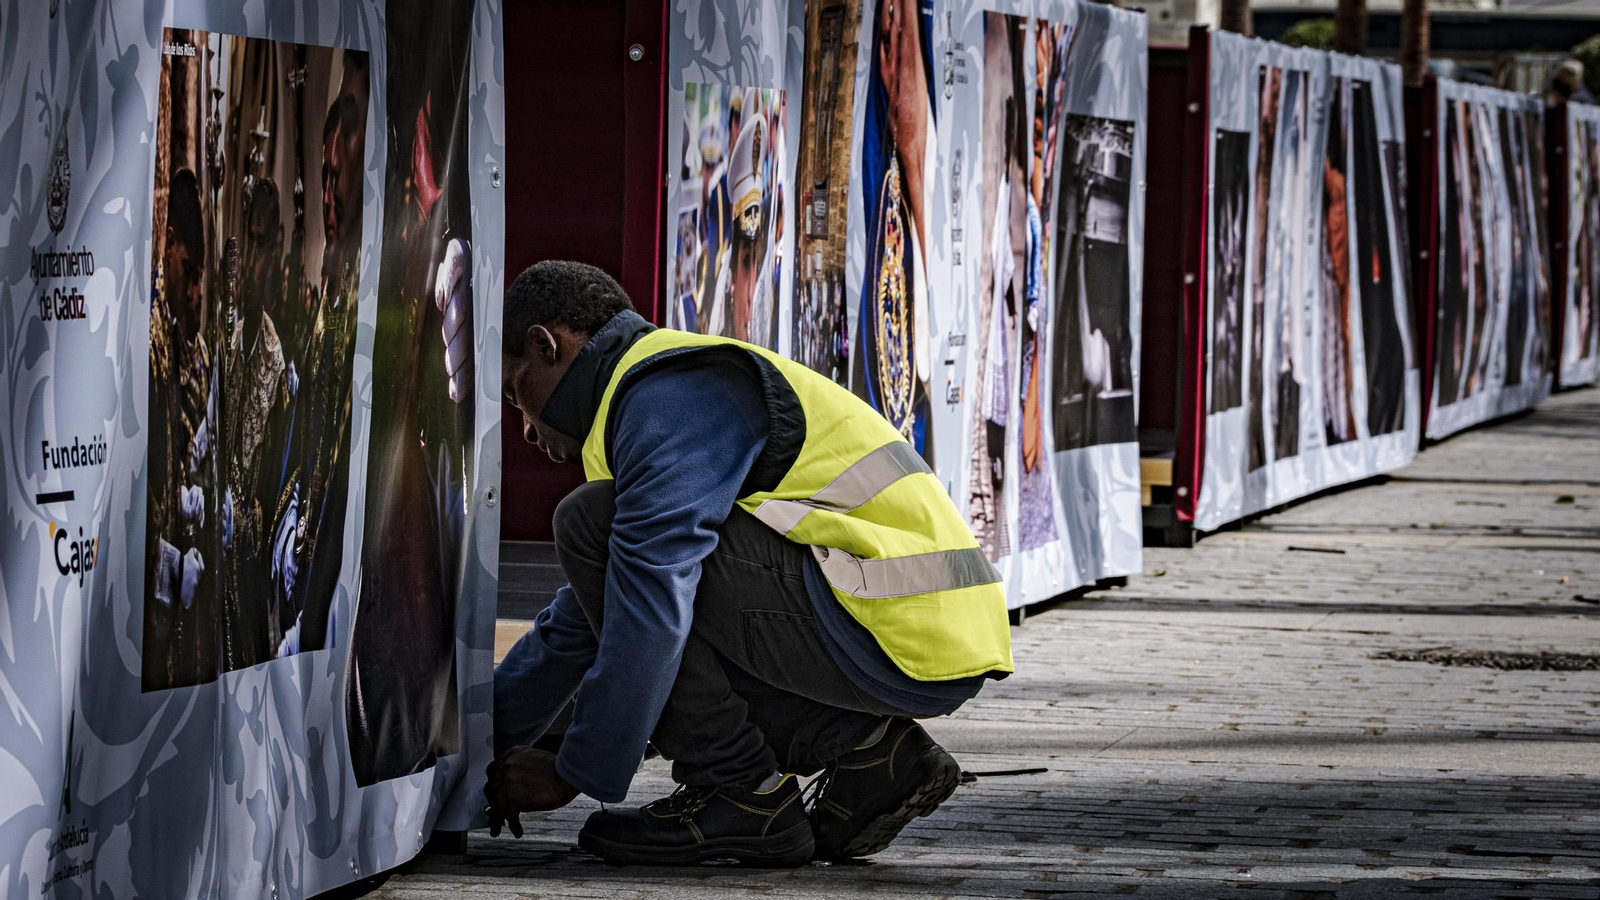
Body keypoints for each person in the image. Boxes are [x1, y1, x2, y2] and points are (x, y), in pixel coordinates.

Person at [491, 261, 1013, 866]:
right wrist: (473, 746)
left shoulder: (668, 395)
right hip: (907, 621)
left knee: (603, 541)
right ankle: (871, 752)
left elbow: (650, 609)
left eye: (515, 391)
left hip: (900, 623)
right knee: (626, 580)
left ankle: (740, 791)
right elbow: (585, 622)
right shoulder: (645, 399)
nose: (525, 428)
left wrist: (570, 773)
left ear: (544, 344)